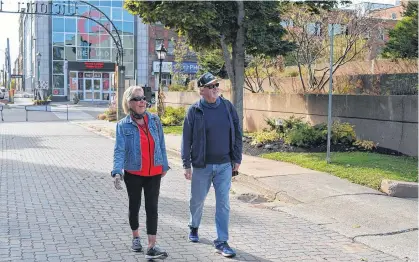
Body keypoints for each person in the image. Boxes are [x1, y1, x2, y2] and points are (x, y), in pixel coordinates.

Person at [181, 72, 243, 258]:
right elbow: (186, 139)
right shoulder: (194, 110)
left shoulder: (227, 107)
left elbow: (238, 133)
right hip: (202, 165)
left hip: (224, 165)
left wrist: (237, 158)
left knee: (223, 203)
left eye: (217, 85)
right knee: (197, 200)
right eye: (211, 86)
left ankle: (221, 241)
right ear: (202, 90)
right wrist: (186, 164)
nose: (216, 88)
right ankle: (194, 226)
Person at [111, 86, 169, 260]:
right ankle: (136, 237)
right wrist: (116, 171)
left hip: (154, 172)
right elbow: (119, 150)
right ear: (129, 103)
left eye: (144, 98)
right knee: (134, 206)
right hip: (134, 172)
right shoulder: (123, 125)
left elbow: (161, 143)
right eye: (138, 99)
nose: (143, 101)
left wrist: (164, 165)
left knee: (152, 208)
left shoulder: (155, 121)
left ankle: (151, 245)